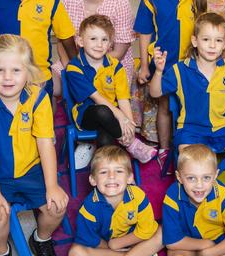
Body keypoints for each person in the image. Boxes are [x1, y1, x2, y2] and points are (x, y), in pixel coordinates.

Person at [0, 35, 68, 256]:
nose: (7, 77)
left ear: (28, 72)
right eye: (0, 70)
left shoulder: (38, 98)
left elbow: (45, 144)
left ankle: (41, 238)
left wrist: (51, 186)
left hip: (30, 170)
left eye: (16, 70)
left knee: (56, 206)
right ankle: (1, 253)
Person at [149, 12, 225, 226]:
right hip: (190, 128)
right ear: (195, 41)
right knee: (189, 161)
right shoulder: (179, 70)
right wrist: (159, 72)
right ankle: (188, 203)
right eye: (206, 39)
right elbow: (155, 92)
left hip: (221, 126)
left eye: (218, 40)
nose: (212, 45)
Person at [135, 0, 207, 168]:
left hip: (191, 65)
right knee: (164, 107)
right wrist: (145, 66)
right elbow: (144, 34)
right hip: (163, 66)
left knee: (190, 105)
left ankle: (191, 145)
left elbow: (203, 30)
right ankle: (165, 147)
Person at [65, 14, 157, 163]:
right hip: (87, 115)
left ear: (110, 44)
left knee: (106, 137)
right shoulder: (74, 68)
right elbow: (97, 99)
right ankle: (131, 144)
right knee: (102, 110)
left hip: (112, 118)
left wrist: (129, 123)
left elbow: (123, 99)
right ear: (80, 41)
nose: (99, 44)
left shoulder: (116, 67)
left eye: (104, 40)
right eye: (93, 39)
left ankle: (111, 172)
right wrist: (121, 117)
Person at [68, 145, 162, 256]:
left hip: (136, 240)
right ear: (93, 180)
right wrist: (109, 246)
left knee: (165, 232)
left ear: (129, 178)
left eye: (118, 171)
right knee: (75, 255)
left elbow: (146, 230)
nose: (111, 176)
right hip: (108, 246)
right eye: (103, 172)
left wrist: (117, 243)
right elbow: (89, 238)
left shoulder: (138, 196)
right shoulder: (89, 207)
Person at [58, 0, 136, 86]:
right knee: (51, 84)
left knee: (100, 103)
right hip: (74, 61)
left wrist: (90, 70)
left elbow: (119, 52)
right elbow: (62, 42)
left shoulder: (120, 3)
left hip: (111, 65)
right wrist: (72, 70)